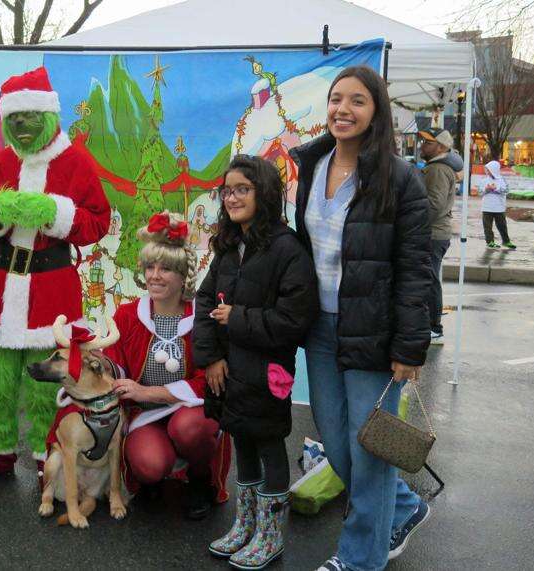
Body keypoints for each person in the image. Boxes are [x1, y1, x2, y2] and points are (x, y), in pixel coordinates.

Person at [291, 66, 433, 571]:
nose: (342, 110)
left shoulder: (399, 179)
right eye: (336, 99)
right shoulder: (311, 165)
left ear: (376, 112)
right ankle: (405, 506)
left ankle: (356, 560)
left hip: (375, 335)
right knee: (338, 445)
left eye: (357, 101)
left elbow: (415, 269)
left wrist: (409, 347)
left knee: (367, 455)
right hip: (322, 330)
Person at [0, 67, 111, 485]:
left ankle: (51, 456)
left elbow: (99, 223)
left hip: (51, 293)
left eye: (29, 116)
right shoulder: (2, 162)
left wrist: (55, 214)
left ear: (50, 115)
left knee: (49, 383)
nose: (22, 126)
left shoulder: (76, 161)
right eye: (14, 118)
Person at [194, 155, 319, 570]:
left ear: (263, 193)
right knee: (241, 438)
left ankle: (270, 536)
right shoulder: (229, 247)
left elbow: (294, 321)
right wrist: (210, 357)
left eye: (242, 189)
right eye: (227, 190)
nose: (232, 198)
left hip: (267, 371)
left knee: (268, 443)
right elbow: (205, 301)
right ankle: (244, 527)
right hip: (229, 369)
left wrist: (239, 319)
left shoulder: (288, 249)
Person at [103, 211, 230, 520]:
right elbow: (117, 367)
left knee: (190, 428)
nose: (155, 276)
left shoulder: (203, 318)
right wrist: (102, 365)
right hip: (145, 416)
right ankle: (155, 479)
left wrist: (148, 392)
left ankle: (199, 479)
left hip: (189, 411)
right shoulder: (128, 315)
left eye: (166, 269)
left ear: (183, 275)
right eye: (150, 267)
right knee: (148, 464)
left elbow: (208, 383)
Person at [418, 128, 460, 345]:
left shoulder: (437, 169)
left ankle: (434, 327)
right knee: (429, 277)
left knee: (429, 279)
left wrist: (413, 221)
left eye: (428, 143)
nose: (422, 146)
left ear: (441, 147)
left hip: (432, 233)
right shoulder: (438, 168)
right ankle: (432, 324)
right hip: (436, 232)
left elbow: (434, 204)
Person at [481, 160, 515, 249]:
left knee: (502, 225)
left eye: (489, 169)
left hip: (499, 207)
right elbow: (480, 192)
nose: (487, 171)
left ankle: (506, 241)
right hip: (487, 207)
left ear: (494, 170)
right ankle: (490, 242)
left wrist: (496, 189)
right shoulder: (484, 180)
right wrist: (487, 189)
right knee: (487, 226)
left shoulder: (502, 180)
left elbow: (506, 191)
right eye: (487, 169)